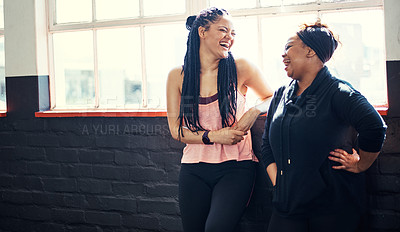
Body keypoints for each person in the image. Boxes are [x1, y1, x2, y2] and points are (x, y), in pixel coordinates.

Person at [261, 22, 387, 232]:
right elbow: (267, 146)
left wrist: (361, 164)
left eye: (288, 47)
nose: (283, 55)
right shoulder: (281, 93)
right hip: (286, 208)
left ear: (310, 51)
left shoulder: (339, 92)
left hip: (332, 210)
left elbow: (374, 126)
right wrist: (280, 184)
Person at [166, 7, 273, 232]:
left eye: (233, 33)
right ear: (202, 32)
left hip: (236, 167)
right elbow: (176, 130)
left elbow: (273, 97)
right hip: (193, 168)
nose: (230, 38)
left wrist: (252, 113)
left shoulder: (240, 67)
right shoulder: (178, 76)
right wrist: (214, 136)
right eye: (224, 30)